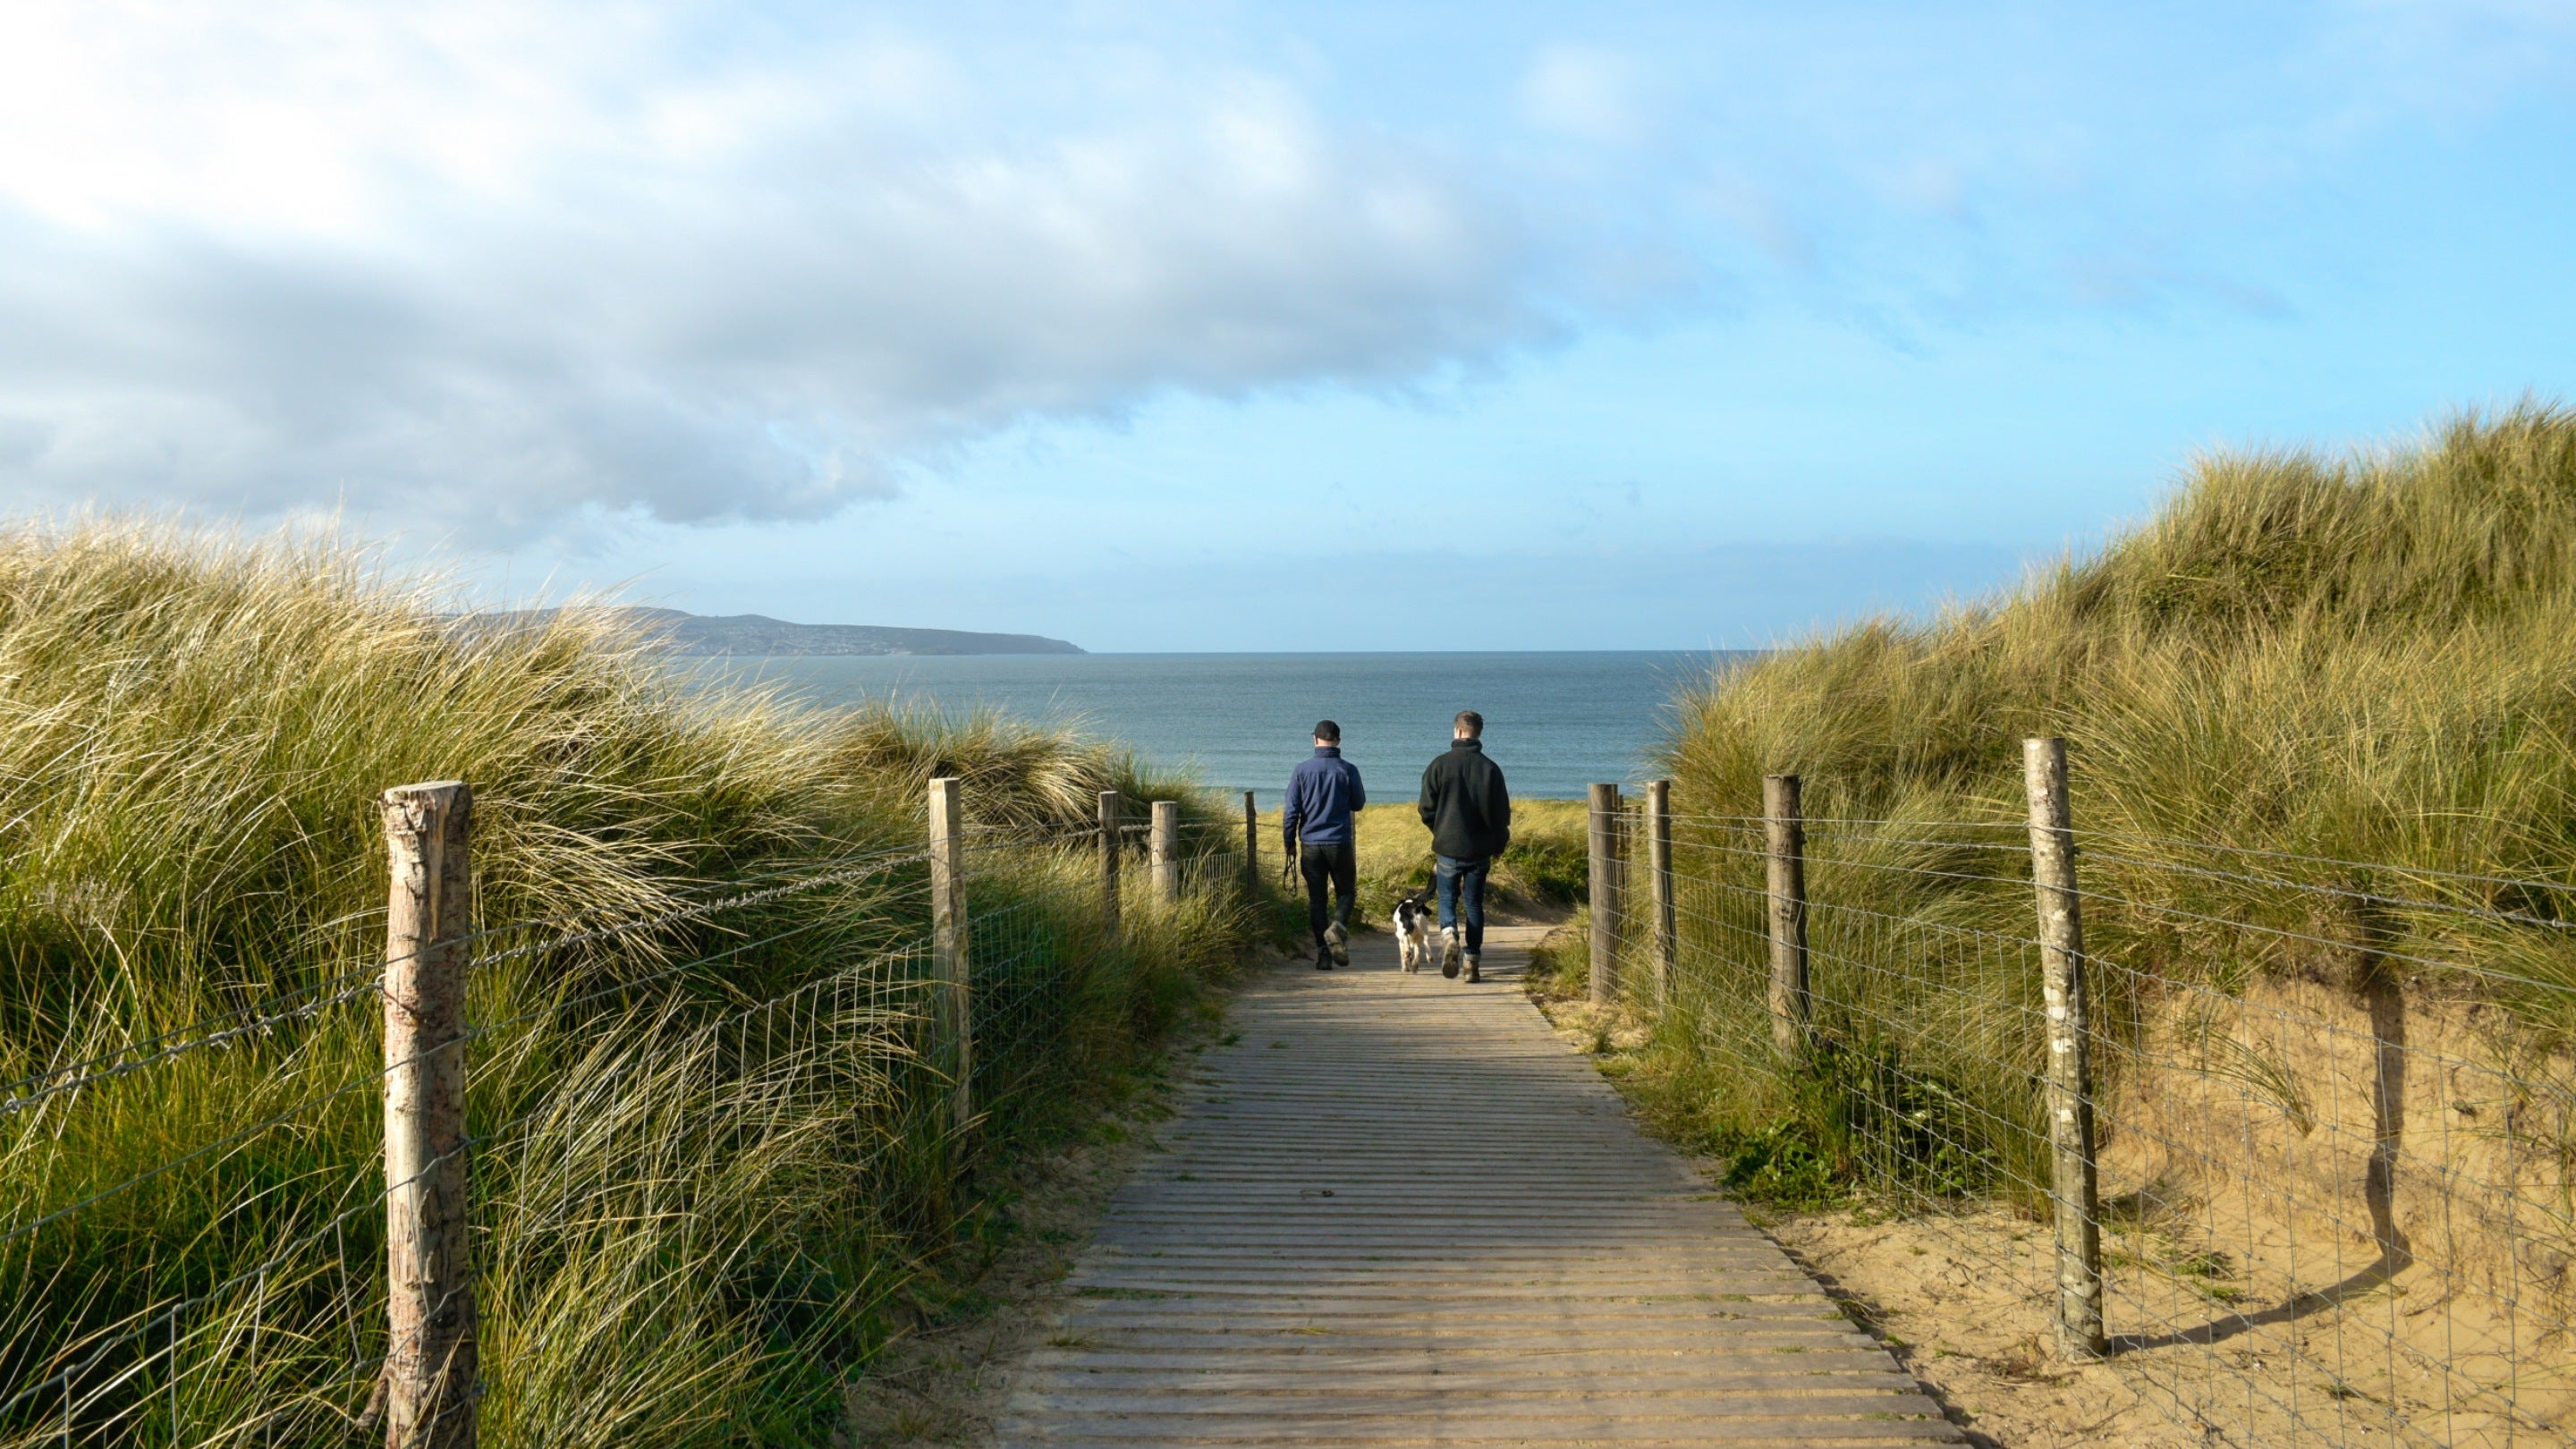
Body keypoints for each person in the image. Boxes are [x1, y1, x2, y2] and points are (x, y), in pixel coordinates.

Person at [1418, 709, 1510, 982]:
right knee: (1474, 904)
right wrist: (1498, 844)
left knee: (1447, 898)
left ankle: (1449, 936)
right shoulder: (1491, 769)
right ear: (1479, 733)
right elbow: (1501, 816)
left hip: (1448, 847)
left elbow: (1425, 808)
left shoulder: (1439, 765)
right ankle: (1472, 962)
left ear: (1457, 731)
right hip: (1480, 850)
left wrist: (1440, 829)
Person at [1284, 719, 1365, 970]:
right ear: (1338, 741)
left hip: (1310, 843)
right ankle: (1337, 927)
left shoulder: (1301, 771)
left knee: (1317, 900)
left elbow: (1291, 812)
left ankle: (1323, 953)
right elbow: (1358, 803)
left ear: (1315, 740)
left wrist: (1289, 843)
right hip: (1339, 842)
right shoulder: (1348, 770)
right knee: (1347, 892)